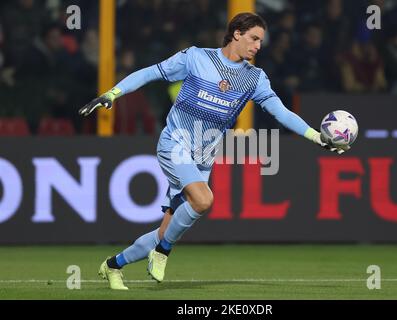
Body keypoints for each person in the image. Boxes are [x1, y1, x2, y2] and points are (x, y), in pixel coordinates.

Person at [79, 12, 348, 290]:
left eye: (261, 41)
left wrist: (317, 137)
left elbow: (281, 112)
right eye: (254, 38)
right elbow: (151, 72)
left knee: (164, 231)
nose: (258, 46)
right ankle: (162, 253)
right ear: (237, 34)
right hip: (175, 143)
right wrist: (112, 94)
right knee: (204, 200)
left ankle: (113, 265)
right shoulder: (196, 58)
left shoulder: (254, 79)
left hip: (204, 158)